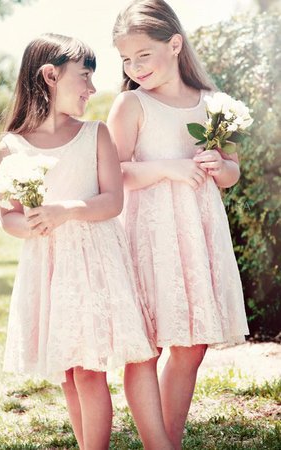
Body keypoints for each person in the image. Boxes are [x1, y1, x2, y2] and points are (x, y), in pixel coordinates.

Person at [0, 33, 160, 450]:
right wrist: (30, 225)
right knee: (70, 371)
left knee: (88, 370)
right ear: (50, 76)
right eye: (84, 77)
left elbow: (112, 201)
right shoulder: (12, 147)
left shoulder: (95, 134)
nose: (92, 88)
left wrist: (66, 211)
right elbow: (9, 217)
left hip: (94, 265)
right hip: (50, 268)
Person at [107, 1, 250, 448]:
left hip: (198, 233)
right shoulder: (131, 103)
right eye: (126, 59)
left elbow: (231, 173)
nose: (134, 67)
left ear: (174, 44)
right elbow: (112, 176)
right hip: (148, 237)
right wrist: (168, 168)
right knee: (146, 346)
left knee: (191, 346)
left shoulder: (213, 104)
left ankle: (167, 440)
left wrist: (217, 164)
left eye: (142, 56)